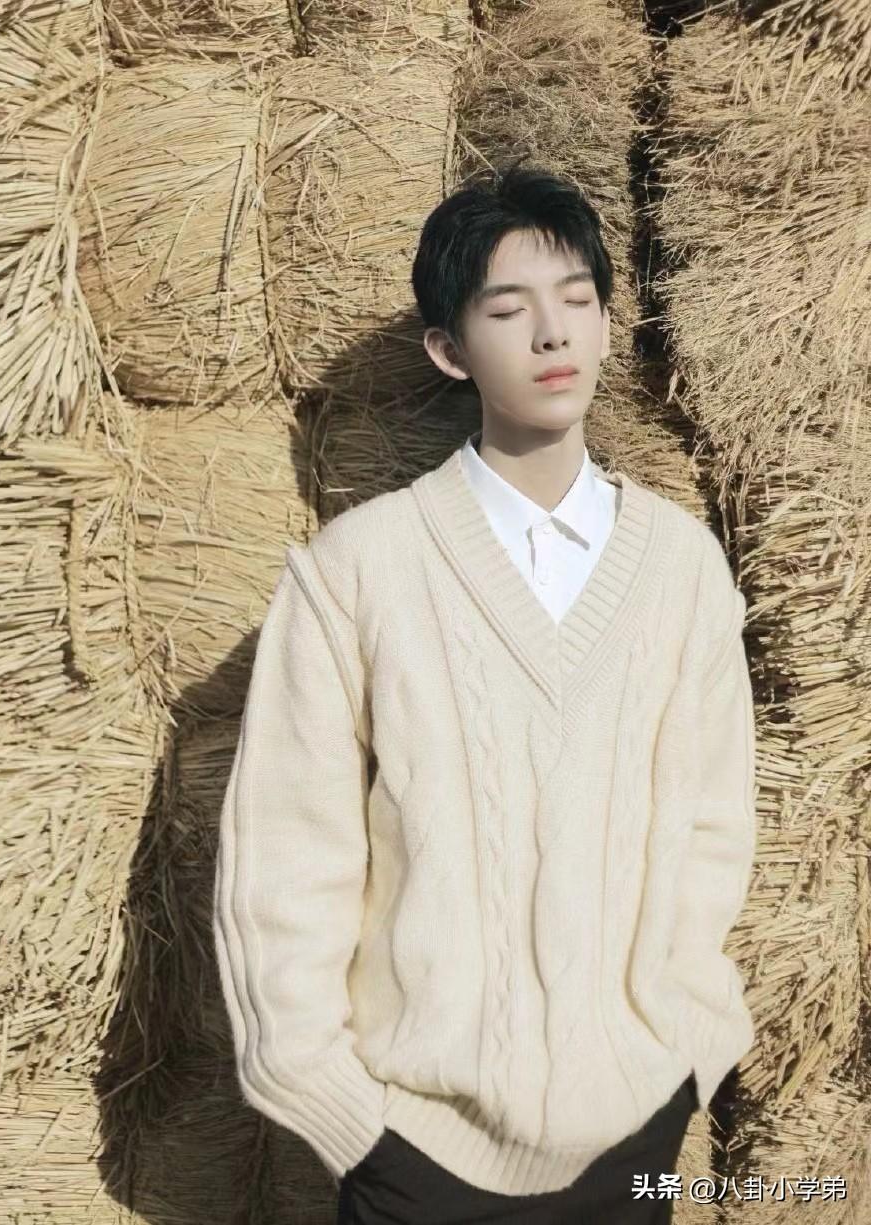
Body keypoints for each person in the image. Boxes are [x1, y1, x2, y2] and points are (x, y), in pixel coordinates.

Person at [212, 162, 758, 1224]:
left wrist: (688, 1052)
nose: (552, 334)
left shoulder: (683, 567)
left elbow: (711, 826)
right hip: (416, 1153)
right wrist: (342, 1116)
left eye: (577, 301)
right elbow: (288, 855)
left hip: (636, 1133)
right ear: (449, 350)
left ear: (607, 325)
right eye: (508, 311)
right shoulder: (358, 570)